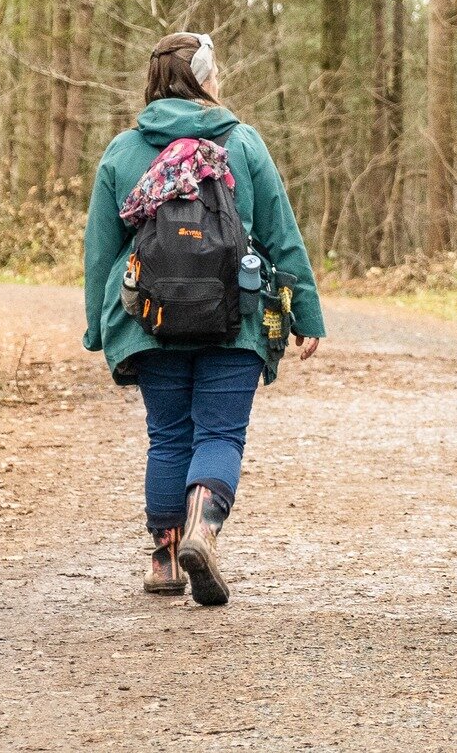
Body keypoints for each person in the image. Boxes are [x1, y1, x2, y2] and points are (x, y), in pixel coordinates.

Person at [82, 31, 324, 606]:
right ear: (205, 79)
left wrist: (98, 325)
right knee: (219, 433)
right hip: (234, 315)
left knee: (167, 436)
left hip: (148, 318)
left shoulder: (122, 150)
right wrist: (305, 313)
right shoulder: (242, 142)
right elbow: (280, 235)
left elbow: (100, 249)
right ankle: (202, 530)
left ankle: (165, 561)